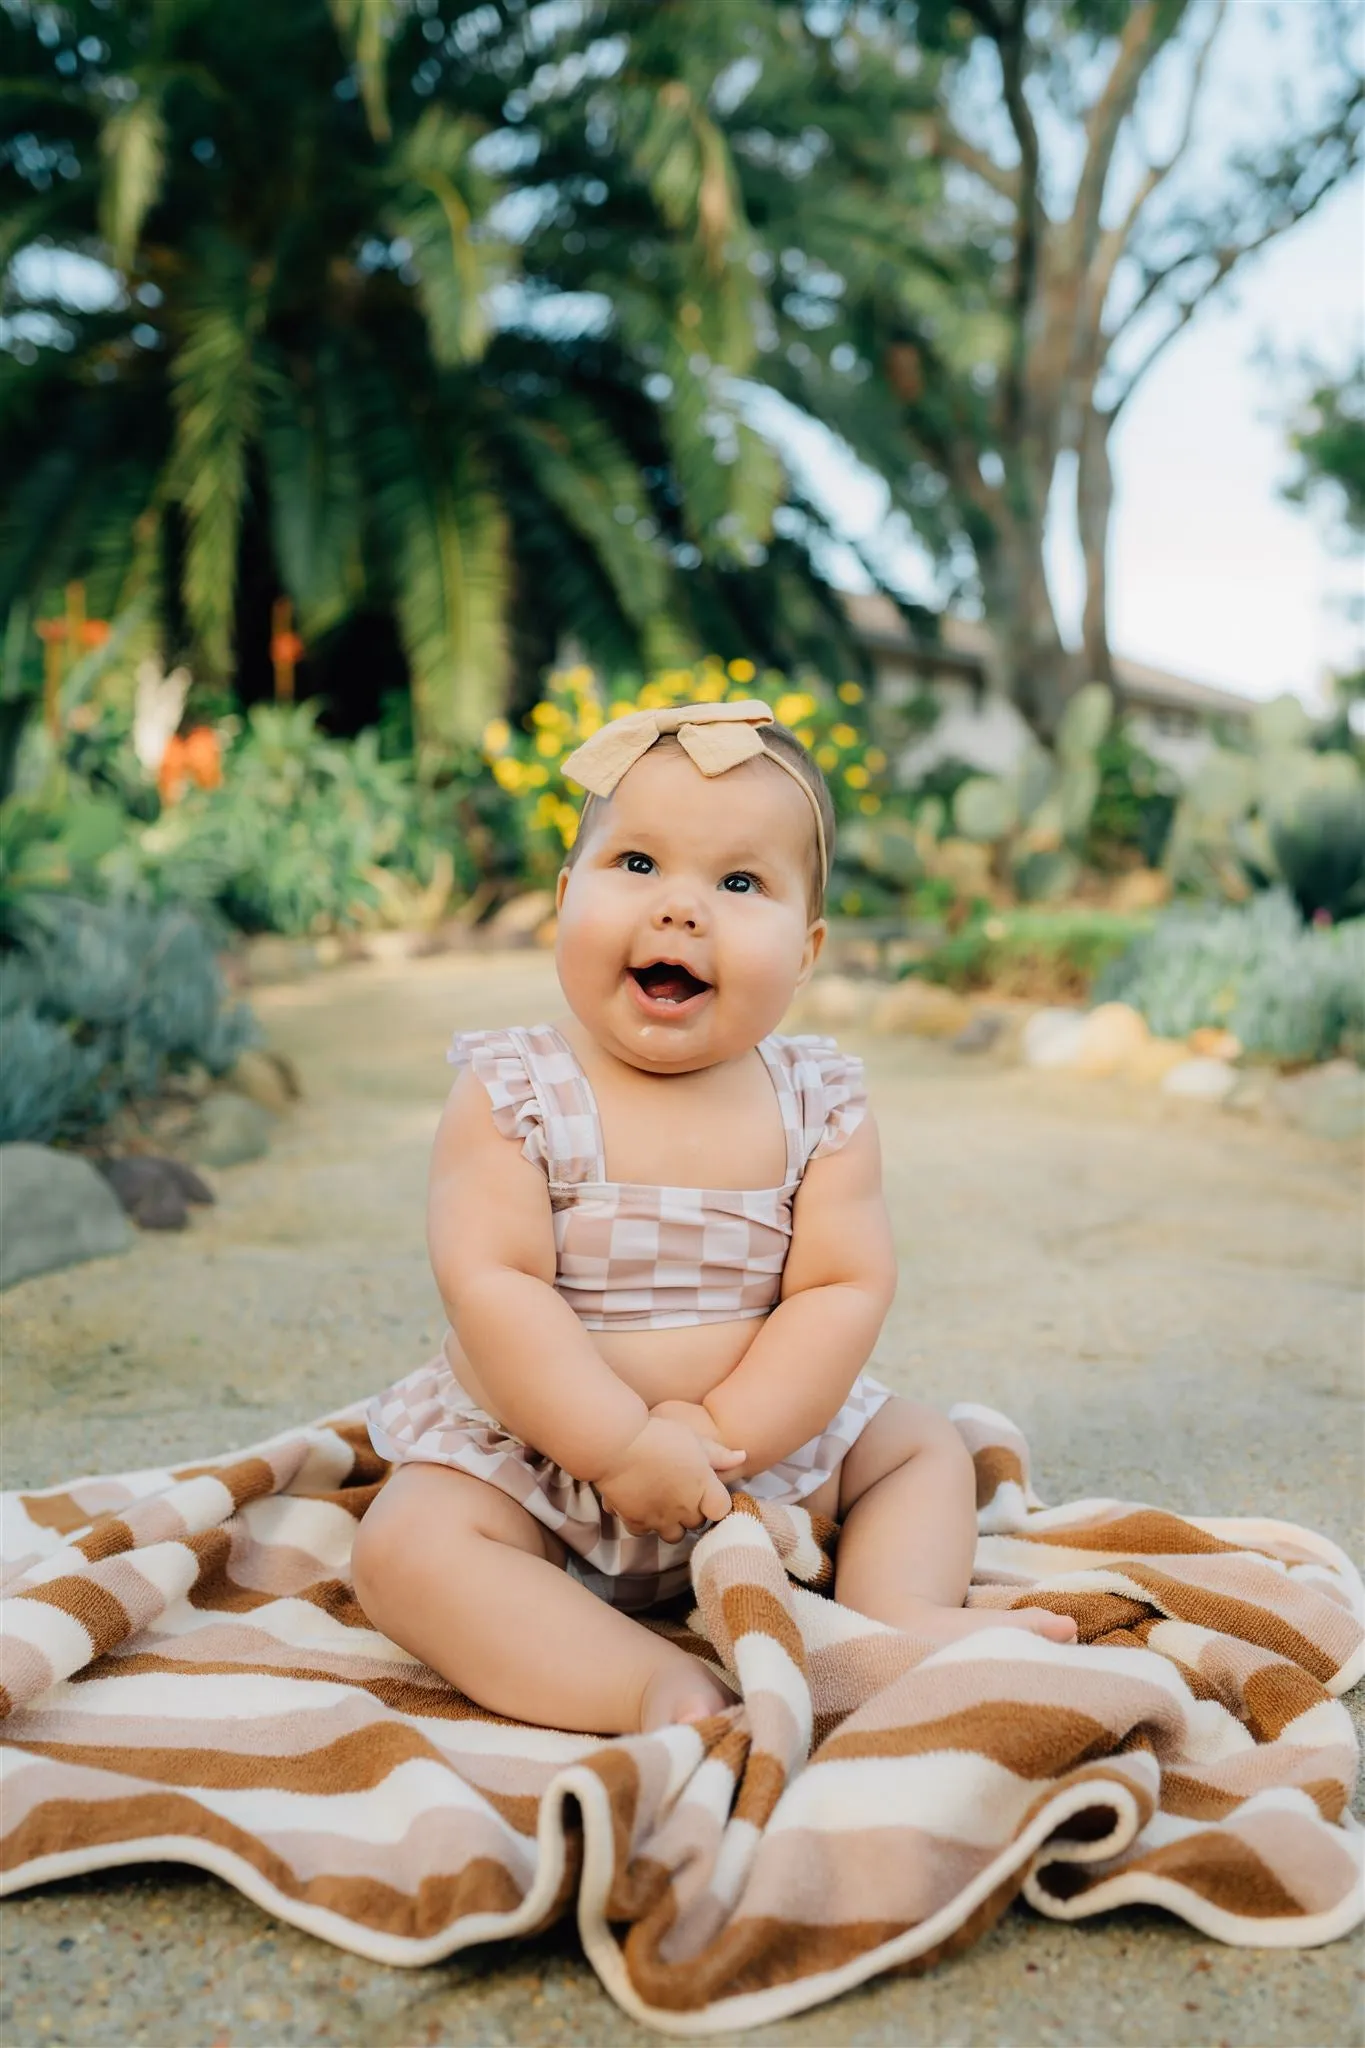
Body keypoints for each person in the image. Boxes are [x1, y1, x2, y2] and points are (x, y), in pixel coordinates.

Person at [352, 700, 1076, 1734]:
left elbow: (841, 1285)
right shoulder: (515, 1088)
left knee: (922, 1448)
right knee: (404, 1547)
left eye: (740, 882)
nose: (680, 908)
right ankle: (644, 1683)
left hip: (758, 1451)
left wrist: (719, 1429)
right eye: (637, 863)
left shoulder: (816, 1101)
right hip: (541, 1460)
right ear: (565, 897)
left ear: (810, 947)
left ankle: (896, 1612)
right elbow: (492, 1285)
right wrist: (616, 1443)